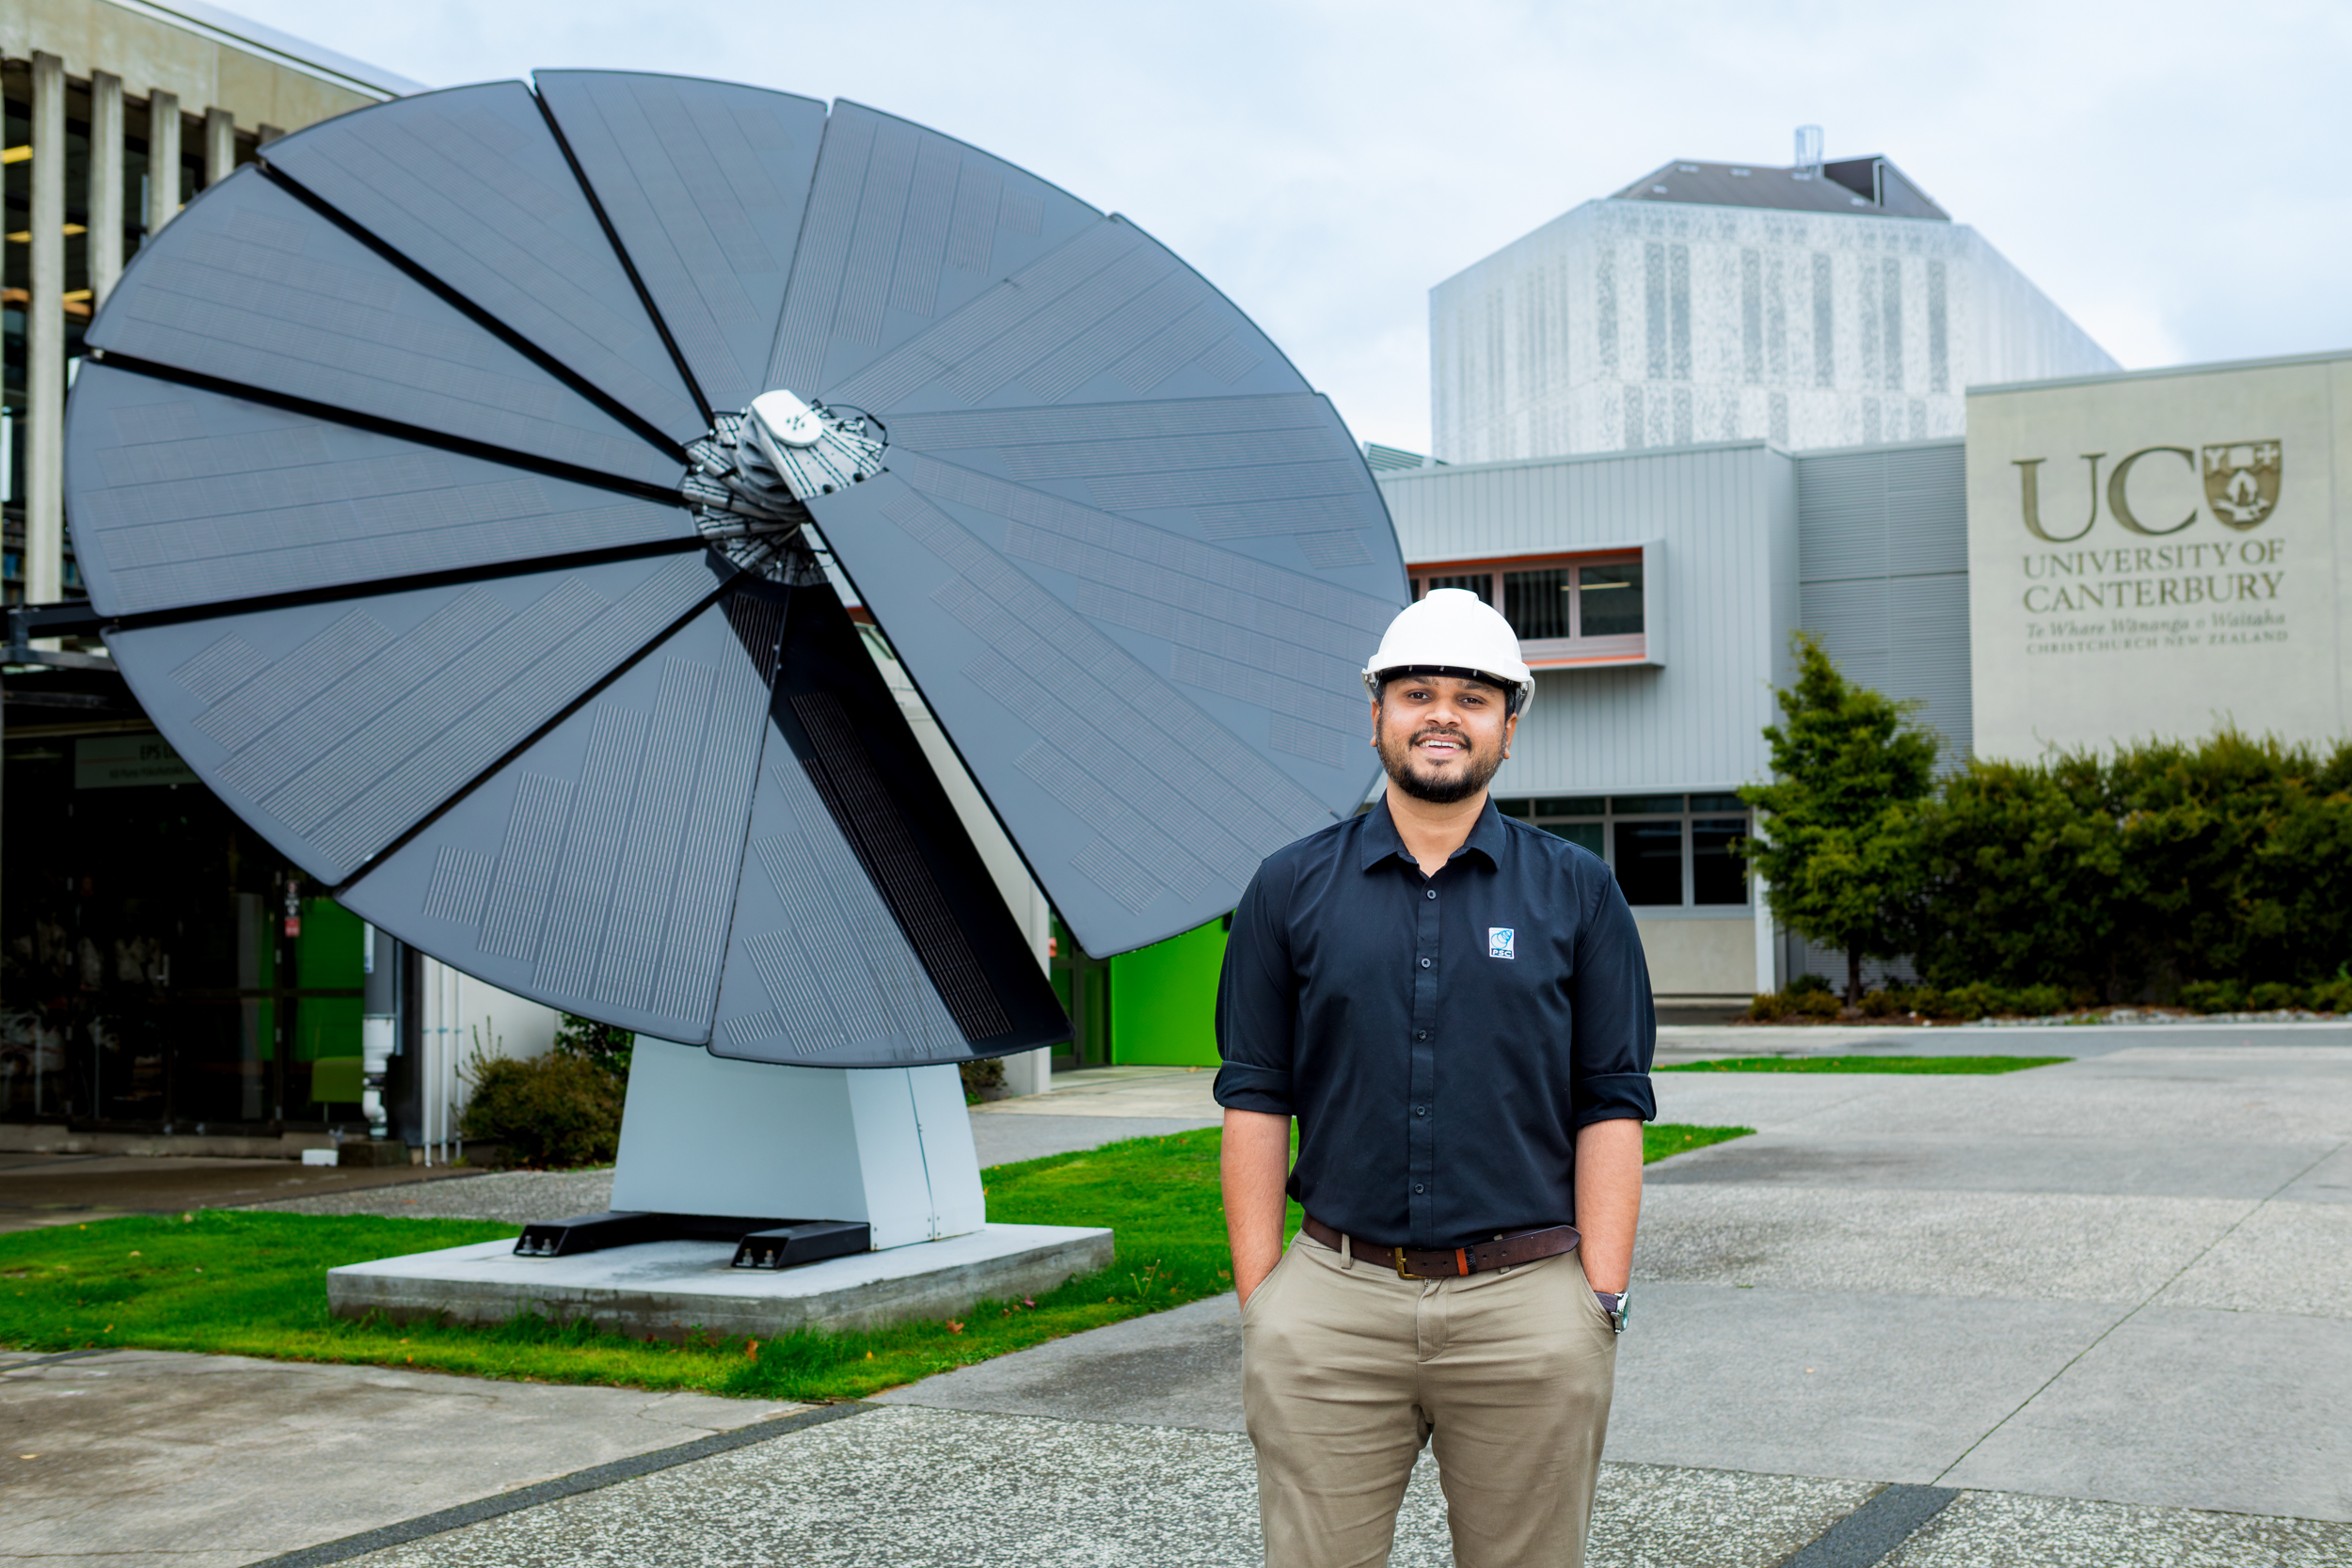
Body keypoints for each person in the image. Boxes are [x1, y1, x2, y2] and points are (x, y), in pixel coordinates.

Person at [1215, 588, 1656, 1568]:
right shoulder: (1287, 887)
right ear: (1375, 713)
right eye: (1417, 691)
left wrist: (1598, 1297)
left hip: (1528, 1306)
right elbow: (1254, 1093)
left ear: (1509, 727)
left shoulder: (1578, 891)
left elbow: (1612, 1102)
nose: (1443, 714)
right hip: (1331, 1306)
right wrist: (1264, 1300)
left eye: (1474, 696)